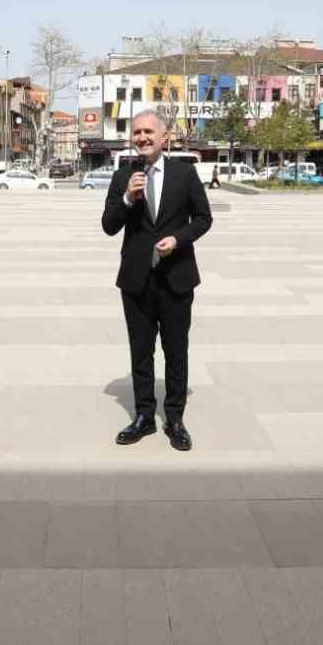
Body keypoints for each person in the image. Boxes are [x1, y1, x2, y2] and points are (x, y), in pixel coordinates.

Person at [102, 109, 213, 451]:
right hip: (136, 280)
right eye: (137, 133)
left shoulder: (184, 173)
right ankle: (144, 416)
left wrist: (178, 239)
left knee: (176, 351)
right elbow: (109, 225)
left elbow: (203, 218)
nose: (142, 138)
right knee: (140, 351)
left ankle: (175, 417)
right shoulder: (123, 176)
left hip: (176, 277)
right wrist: (126, 199)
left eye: (149, 131)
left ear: (164, 137)